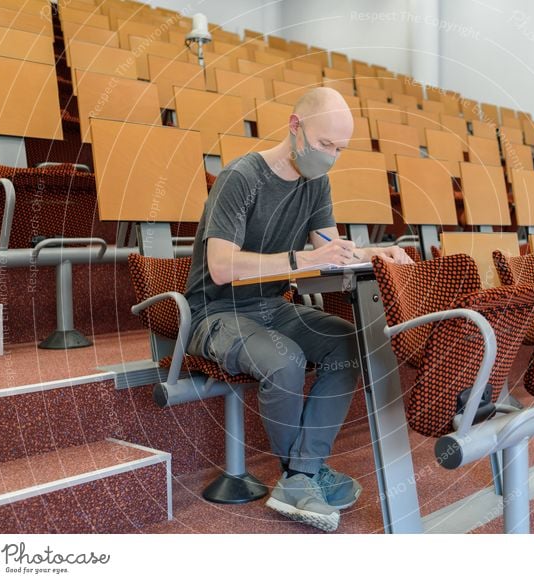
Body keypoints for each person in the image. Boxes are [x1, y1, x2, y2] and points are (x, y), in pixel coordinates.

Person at [185, 87, 412, 532]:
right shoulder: (241, 178)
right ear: (295, 127)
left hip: (270, 304)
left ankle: (302, 473)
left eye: (339, 149)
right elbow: (221, 266)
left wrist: (378, 252)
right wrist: (297, 261)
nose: (330, 157)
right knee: (285, 358)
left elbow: (328, 252)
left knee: (347, 343)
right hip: (214, 313)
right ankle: (302, 477)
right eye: (325, 144)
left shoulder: (316, 183)